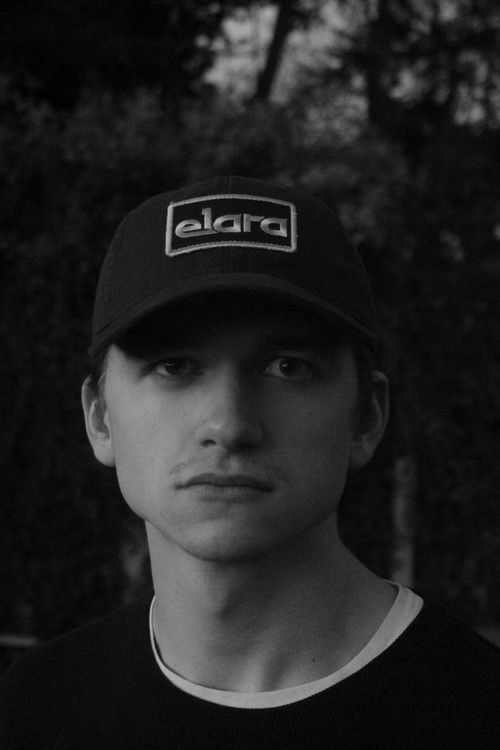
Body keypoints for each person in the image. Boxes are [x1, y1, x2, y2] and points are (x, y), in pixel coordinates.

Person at [1, 176, 499, 749]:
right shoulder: (34, 710)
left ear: (366, 416)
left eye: (287, 367)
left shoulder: (480, 714)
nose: (230, 425)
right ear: (100, 418)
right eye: (174, 366)